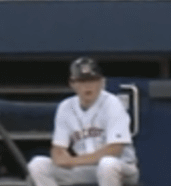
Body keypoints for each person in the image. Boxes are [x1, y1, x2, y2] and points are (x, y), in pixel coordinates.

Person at [27, 57, 139, 186]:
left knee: (107, 164)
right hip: (85, 168)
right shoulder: (66, 107)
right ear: (72, 83)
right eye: (82, 81)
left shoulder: (113, 103)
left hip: (121, 167)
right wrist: (62, 158)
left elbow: (114, 150)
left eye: (92, 80)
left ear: (102, 82)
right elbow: (58, 149)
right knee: (38, 164)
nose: (87, 86)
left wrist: (72, 161)